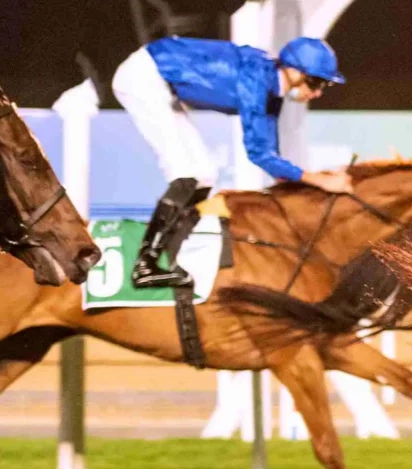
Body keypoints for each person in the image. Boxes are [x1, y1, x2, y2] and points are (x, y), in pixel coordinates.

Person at [111, 32, 348, 289]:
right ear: (293, 71)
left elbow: (270, 156)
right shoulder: (257, 82)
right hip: (144, 77)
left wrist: (309, 185)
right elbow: (258, 154)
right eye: (316, 83)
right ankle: (145, 265)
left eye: (324, 85)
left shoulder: (271, 89)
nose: (318, 92)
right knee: (186, 172)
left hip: (161, 80)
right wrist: (321, 181)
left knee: (205, 173)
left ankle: (171, 252)